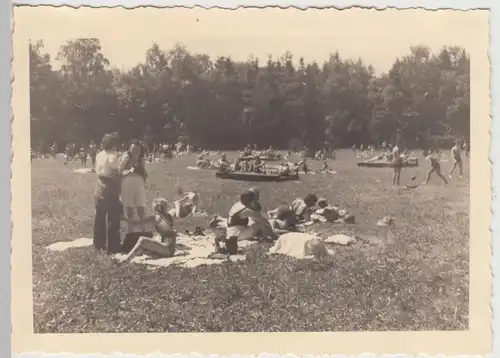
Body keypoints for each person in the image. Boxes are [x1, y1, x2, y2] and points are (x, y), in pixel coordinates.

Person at [118, 198, 177, 263]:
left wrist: (122, 218)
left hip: (167, 250)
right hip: (171, 249)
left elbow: (134, 223)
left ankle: (126, 260)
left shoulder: (155, 217)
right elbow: (174, 210)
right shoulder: (169, 215)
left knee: (142, 240)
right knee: (153, 237)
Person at [93, 132, 122, 253]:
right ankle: (113, 245)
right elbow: (115, 172)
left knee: (99, 215)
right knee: (113, 215)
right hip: (110, 185)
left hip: (99, 184)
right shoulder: (113, 156)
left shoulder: (99, 155)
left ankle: (98, 243)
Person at [120, 140, 148, 233]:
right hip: (127, 184)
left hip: (139, 184)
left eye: (137, 150)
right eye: (133, 149)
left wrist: (144, 178)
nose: (135, 152)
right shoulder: (126, 157)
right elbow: (120, 172)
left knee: (141, 209)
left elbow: (144, 173)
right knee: (130, 210)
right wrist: (129, 171)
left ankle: (143, 231)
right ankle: (131, 232)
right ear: (130, 149)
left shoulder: (141, 159)